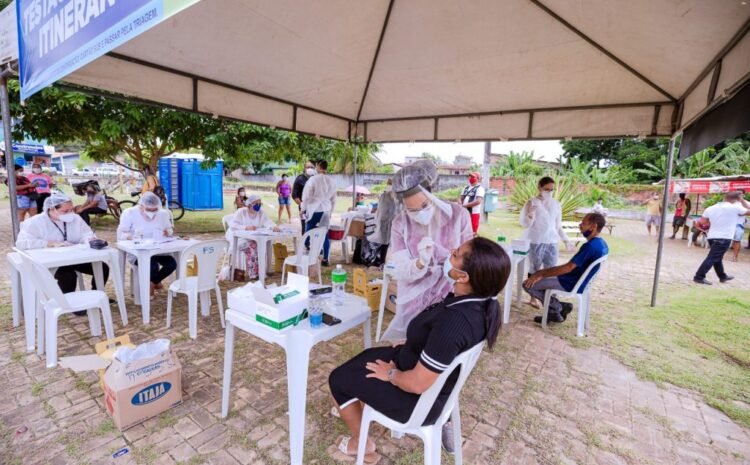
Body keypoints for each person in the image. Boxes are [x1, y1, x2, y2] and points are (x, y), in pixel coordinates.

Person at [327, 237, 510, 462]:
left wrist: (391, 375)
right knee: (365, 358)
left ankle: (362, 444)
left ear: (463, 277)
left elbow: (417, 383)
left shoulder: (455, 323)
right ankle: (358, 405)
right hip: (420, 371)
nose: (450, 251)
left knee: (338, 379)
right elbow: (440, 345)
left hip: (416, 401)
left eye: (456, 253)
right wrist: (413, 343)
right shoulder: (480, 304)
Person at [384, 159, 474, 341]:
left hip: (451, 292)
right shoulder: (400, 223)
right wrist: (420, 262)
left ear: (431, 193)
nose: (420, 213)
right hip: (413, 296)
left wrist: (450, 267)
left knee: (442, 341)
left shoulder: (458, 215)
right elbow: (401, 269)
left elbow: (471, 260)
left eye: (424, 206)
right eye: (412, 210)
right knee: (411, 341)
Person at [16, 193, 110, 315]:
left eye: (71, 209)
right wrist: (49, 243)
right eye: (65, 211)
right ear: (51, 209)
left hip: (74, 257)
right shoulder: (35, 222)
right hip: (51, 261)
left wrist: (90, 240)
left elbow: (86, 233)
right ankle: (68, 304)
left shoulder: (75, 218)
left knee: (102, 267)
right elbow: (21, 243)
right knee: (68, 276)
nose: (70, 213)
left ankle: (95, 298)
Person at [523, 213, 609, 324]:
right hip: (579, 280)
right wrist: (542, 273)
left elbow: (568, 268)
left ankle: (556, 309)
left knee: (528, 285)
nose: (580, 225)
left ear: (593, 226)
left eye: (583, 223)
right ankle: (560, 306)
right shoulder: (602, 244)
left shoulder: (590, 246)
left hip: (570, 282)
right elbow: (569, 267)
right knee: (541, 280)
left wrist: (540, 273)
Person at [520, 176, 573, 308]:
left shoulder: (556, 204)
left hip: (552, 241)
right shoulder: (532, 202)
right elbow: (526, 224)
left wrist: (566, 240)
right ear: (539, 188)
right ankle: (533, 297)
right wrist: (530, 214)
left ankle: (548, 297)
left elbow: (558, 226)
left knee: (550, 270)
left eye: (551, 190)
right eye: (546, 189)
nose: (549, 192)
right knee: (535, 268)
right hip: (536, 240)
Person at [117, 192, 178, 296]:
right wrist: (131, 236)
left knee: (172, 263)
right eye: (149, 209)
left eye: (155, 210)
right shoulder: (130, 213)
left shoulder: (163, 214)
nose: (152, 212)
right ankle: (155, 283)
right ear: (141, 205)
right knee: (152, 265)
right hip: (139, 251)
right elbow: (121, 233)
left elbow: (169, 229)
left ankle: (152, 282)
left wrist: (168, 232)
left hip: (159, 250)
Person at [693, 191, 749, 285]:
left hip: (712, 236)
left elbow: (702, 222)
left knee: (717, 258)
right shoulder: (735, 207)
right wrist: (742, 201)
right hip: (724, 237)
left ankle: (722, 276)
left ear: (725, 197)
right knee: (712, 257)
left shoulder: (711, 208)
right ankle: (699, 276)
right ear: (736, 199)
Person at [227, 194, 280, 280]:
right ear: (249, 204)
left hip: (254, 238)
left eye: (260, 203)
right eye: (256, 203)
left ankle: (261, 271)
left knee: (262, 245)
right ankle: (254, 273)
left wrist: (273, 226)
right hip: (240, 238)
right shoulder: (242, 212)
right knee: (254, 246)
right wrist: (246, 227)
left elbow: (268, 222)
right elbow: (233, 225)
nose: (258, 205)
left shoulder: (261, 213)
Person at [301, 160, 337, 266]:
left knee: (308, 231)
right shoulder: (332, 181)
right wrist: (331, 211)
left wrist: (303, 208)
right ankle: (325, 258)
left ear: (317, 166)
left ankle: (305, 253)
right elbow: (334, 199)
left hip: (314, 209)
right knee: (325, 234)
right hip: (326, 209)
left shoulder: (313, 180)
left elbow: (306, 196)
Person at [360, 179, 401, 267]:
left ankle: (380, 260)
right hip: (383, 222)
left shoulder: (397, 197)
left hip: (391, 222)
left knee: (385, 242)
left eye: (390, 184)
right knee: (382, 241)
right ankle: (377, 259)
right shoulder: (384, 196)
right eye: (389, 184)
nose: (389, 186)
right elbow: (380, 211)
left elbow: (397, 211)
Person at [292, 160, 316, 232]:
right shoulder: (300, 179)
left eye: (312, 167)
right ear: (304, 168)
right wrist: (302, 205)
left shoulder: (316, 178)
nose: (310, 169)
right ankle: (305, 243)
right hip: (304, 209)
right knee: (305, 228)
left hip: (316, 208)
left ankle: (314, 243)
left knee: (315, 228)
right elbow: (294, 195)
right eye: (308, 167)